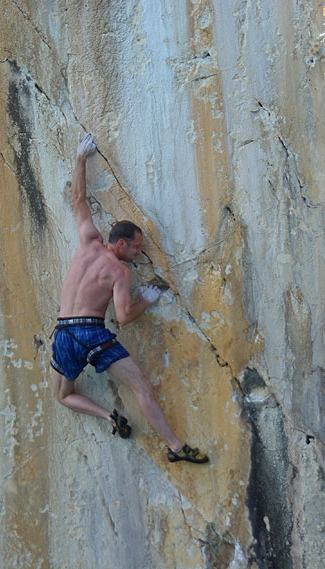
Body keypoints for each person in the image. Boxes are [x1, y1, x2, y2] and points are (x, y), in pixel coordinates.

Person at [49, 133, 209, 464]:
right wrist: (147, 300)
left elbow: (79, 199)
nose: (139, 253)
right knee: (141, 386)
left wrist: (80, 158)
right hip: (92, 334)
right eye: (136, 247)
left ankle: (108, 416)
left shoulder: (88, 242)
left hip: (64, 331)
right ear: (120, 244)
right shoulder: (120, 273)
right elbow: (123, 317)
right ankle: (175, 447)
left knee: (63, 395)